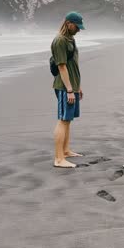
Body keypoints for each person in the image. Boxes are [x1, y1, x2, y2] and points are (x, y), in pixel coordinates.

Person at [51, 11, 85, 168]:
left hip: (72, 86)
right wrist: (70, 90)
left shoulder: (71, 39)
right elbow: (62, 66)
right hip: (64, 87)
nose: (78, 30)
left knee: (68, 120)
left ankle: (65, 151)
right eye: (77, 27)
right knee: (63, 120)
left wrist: (78, 87)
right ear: (68, 23)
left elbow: (73, 65)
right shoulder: (60, 41)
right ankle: (58, 159)